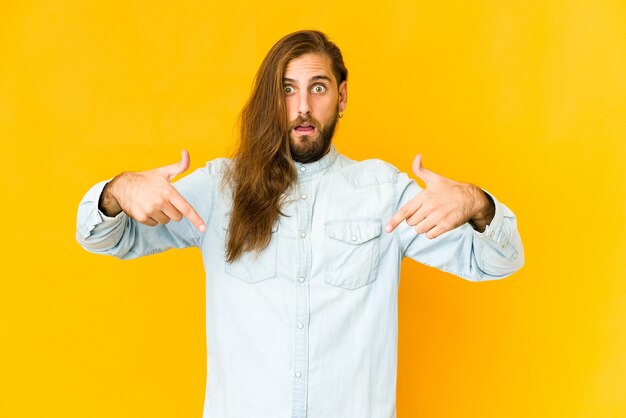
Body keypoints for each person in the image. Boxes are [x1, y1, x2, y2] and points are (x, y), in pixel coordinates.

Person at [76, 30, 524, 418]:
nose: (303, 107)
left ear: (342, 96)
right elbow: (101, 238)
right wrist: (117, 192)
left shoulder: (384, 192)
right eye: (287, 89)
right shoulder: (217, 190)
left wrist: (476, 203)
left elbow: (498, 261)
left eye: (318, 88)